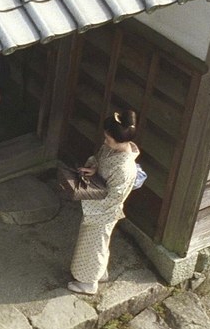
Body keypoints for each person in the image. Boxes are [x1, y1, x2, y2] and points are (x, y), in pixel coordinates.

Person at [68, 109, 141, 295]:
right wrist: (94, 169)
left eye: (108, 139)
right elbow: (100, 161)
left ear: (120, 140)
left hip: (105, 210)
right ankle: (100, 273)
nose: (105, 141)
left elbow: (115, 196)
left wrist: (90, 195)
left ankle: (88, 283)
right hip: (99, 204)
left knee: (93, 245)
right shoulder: (112, 149)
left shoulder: (125, 168)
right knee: (97, 243)